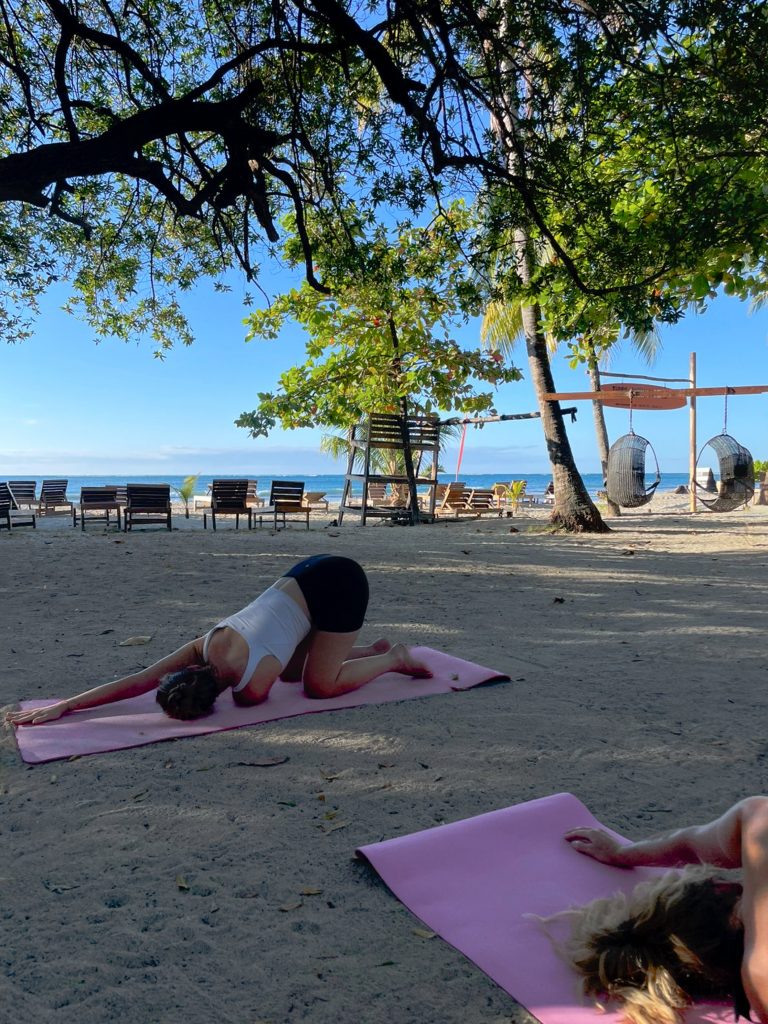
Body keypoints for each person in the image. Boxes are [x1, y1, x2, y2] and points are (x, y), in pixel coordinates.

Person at [6, 554, 432, 726]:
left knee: (319, 687)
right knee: (289, 672)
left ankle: (394, 658)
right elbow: (138, 679)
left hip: (340, 586)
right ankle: (371, 650)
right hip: (309, 572)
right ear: (188, 672)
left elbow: (137, 681)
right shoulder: (206, 645)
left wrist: (67, 704)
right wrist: (66, 705)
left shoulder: (248, 693)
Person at [561, 797, 768, 1024]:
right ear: (722, 885)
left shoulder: (760, 976)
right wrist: (624, 852)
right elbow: (690, 843)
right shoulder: (757, 825)